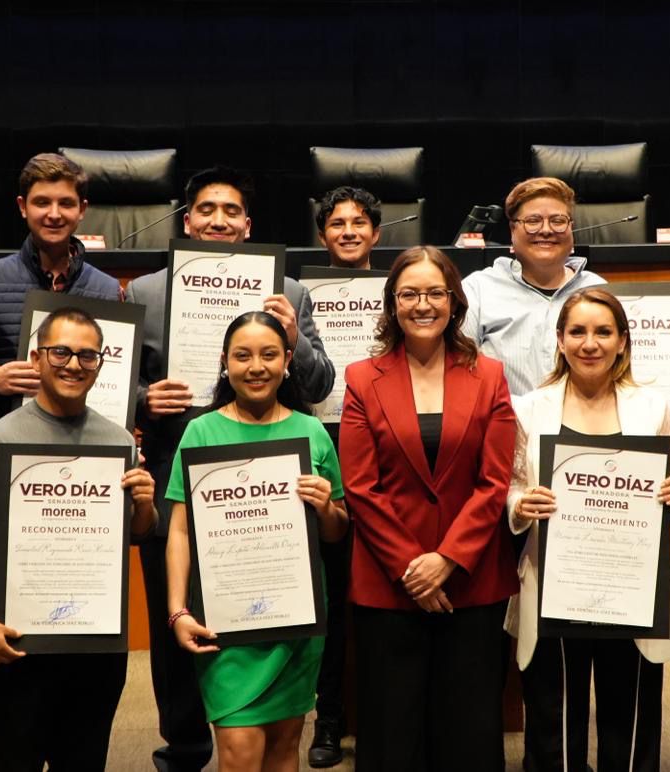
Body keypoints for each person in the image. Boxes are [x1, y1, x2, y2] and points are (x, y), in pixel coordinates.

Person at [124, 165, 335, 771]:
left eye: (232, 212)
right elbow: (113, 384)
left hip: (273, 491)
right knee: (179, 634)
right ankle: (186, 748)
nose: (219, 220)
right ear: (186, 220)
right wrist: (144, 399)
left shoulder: (290, 293)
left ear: (248, 226)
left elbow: (320, 388)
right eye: (206, 210)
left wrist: (296, 334)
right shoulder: (145, 291)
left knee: (268, 614)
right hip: (182, 484)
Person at [0, 306, 157, 770]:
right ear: (36, 357)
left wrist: (144, 504)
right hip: (18, 642)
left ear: (101, 364)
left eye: (88, 356)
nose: (73, 364)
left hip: (96, 648)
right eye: (61, 351)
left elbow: (135, 535)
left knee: (84, 761)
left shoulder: (120, 441)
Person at [506, 288, 670, 771]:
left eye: (602, 332)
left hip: (629, 586)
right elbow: (510, 487)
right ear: (560, 340)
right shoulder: (530, 408)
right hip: (553, 583)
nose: (589, 343)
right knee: (554, 724)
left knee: (627, 724)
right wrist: (520, 504)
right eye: (577, 332)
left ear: (622, 342)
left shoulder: (651, 407)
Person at [339, 245, 518, 771]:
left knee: (470, 730)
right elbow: (360, 487)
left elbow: (494, 481)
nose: (423, 304)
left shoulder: (489, 375)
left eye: (435, 293)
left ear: (454, 302)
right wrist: (411, 567)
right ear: (392, 303)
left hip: (472, 579)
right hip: (389, 585)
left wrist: (448, 559)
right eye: (410, 294)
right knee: (392, 731)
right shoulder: (360, 378)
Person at [164, 311, 348, 772]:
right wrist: (177, 611)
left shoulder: (312, 434)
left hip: (296, 623)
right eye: (242, 356)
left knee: (285, 752)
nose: (256, 366)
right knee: (240, 751)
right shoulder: (200, 432)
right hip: (226, 627)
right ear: (224, 363)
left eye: (269, 355)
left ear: (288, 360)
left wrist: (326, 506)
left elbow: (337, 530)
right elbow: (180, 531)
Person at [0, 153, 122, 425]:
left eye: (66, 203)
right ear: (23, 207)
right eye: (42, 202)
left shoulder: (110, 290)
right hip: (13, 444)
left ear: (82, 209)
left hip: (89, 446)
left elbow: (122, 380)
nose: (54, 214)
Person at [304, 184, 383, 766]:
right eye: (337, 223)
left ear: (377, 234)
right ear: (322, 233)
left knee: (381, 590)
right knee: (330, 596)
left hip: (386, 449)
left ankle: (384, 718)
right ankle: (327, 721)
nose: (349, 231)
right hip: (321, 445)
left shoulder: (399, 288)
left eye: (360, 223)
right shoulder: (298, 292)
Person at [462, 177, 606, 395]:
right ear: (512, 230)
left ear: (571, 229)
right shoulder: (478, 290)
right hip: (504, 424)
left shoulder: (598, 289)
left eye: (558, 220)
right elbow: (460, 372)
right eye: (533, 221)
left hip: (585, 423)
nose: (546, 230)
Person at [316, 185, 382, 270]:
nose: (349, 232)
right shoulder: (303, 283)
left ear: (374, 234)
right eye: (337, 224)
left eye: (358, 223)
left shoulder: (393, 283)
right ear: (323, 238)